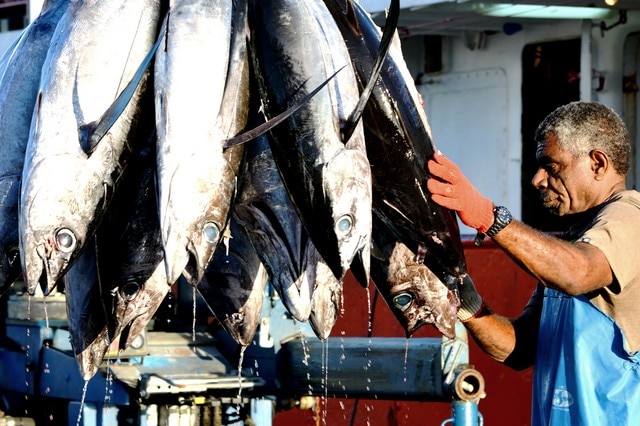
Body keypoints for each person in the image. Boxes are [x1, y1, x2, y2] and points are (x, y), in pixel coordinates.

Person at [426, 100, 640, 425]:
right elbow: (519, 348)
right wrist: (463, 300)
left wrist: (487, 216)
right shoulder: (578, 240)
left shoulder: (630, 218)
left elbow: (578, 272)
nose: (538, 180)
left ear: (598, 163)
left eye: (551, 166)